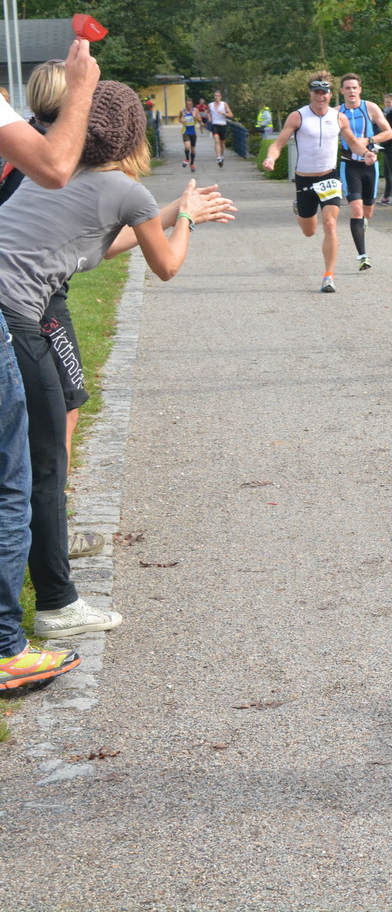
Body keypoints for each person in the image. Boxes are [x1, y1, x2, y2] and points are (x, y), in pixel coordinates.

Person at [0, 81, 234, 643]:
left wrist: (172, 208)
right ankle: (56, 604)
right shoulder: (128, 192)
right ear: (133, 135)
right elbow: (168, 265)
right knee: (43, 464)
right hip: (15, 320)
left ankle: (50, 594)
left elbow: (91, 243)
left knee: (34, 459)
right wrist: (189, 219)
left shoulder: (49, 174)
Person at [0, 40, 99, 691]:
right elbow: (57, 169)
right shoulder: (58, 151)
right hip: (27, 307)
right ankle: (14, 638)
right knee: (20, 472)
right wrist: (86, 82)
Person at [264, 71, 372, 293]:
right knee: (309, 231)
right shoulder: (298, 116)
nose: (320, 97)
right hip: (305, 179)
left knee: (330, 224)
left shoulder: (338, 117)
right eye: (316, 92)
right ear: (310, 93)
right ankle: (300, 210)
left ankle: (328, 276)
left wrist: (366, 153)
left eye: (324, 93)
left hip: (329, 177)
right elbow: (279, 144)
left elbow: (352, 143)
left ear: (331, 95)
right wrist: (271, 158)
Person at [336, 74, 392, 269]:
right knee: (356, 208)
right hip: (348, 165)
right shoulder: (336, 112)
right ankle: (363, 256)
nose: (351, 91)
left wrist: (368, 141)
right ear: (341, 91)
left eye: (354, 88)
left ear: (360, 89)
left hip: (369, 165)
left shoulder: (370, 107)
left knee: (367, 211)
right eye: (347, 88)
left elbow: (389, 132)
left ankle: (362, 222)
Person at [208, 90, 232, 167]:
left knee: (222, 143)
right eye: (215, 96)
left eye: (218, 96)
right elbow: (208, 112)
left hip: (223, 125)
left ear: (220, 97)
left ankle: (221, 156)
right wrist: (209, 117)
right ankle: (218, 158)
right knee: (216, 140)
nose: (216, 97)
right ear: (214, 96)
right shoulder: (210, 105)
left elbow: (231, 115)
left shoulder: (224, 104)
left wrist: (224, 113)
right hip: (215, 125)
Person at [181, 104, 197, 170]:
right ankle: (187, 159)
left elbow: (200, 119)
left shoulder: (195, 111)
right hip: (185, 131)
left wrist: (195, 116)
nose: (189, 106)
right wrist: (182, 121)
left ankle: (192, 164)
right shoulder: (182, 111)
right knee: (187, 146)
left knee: (193, 149)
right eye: (187, 105)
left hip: (193, 132)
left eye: (190, 105)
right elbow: (179, 118)